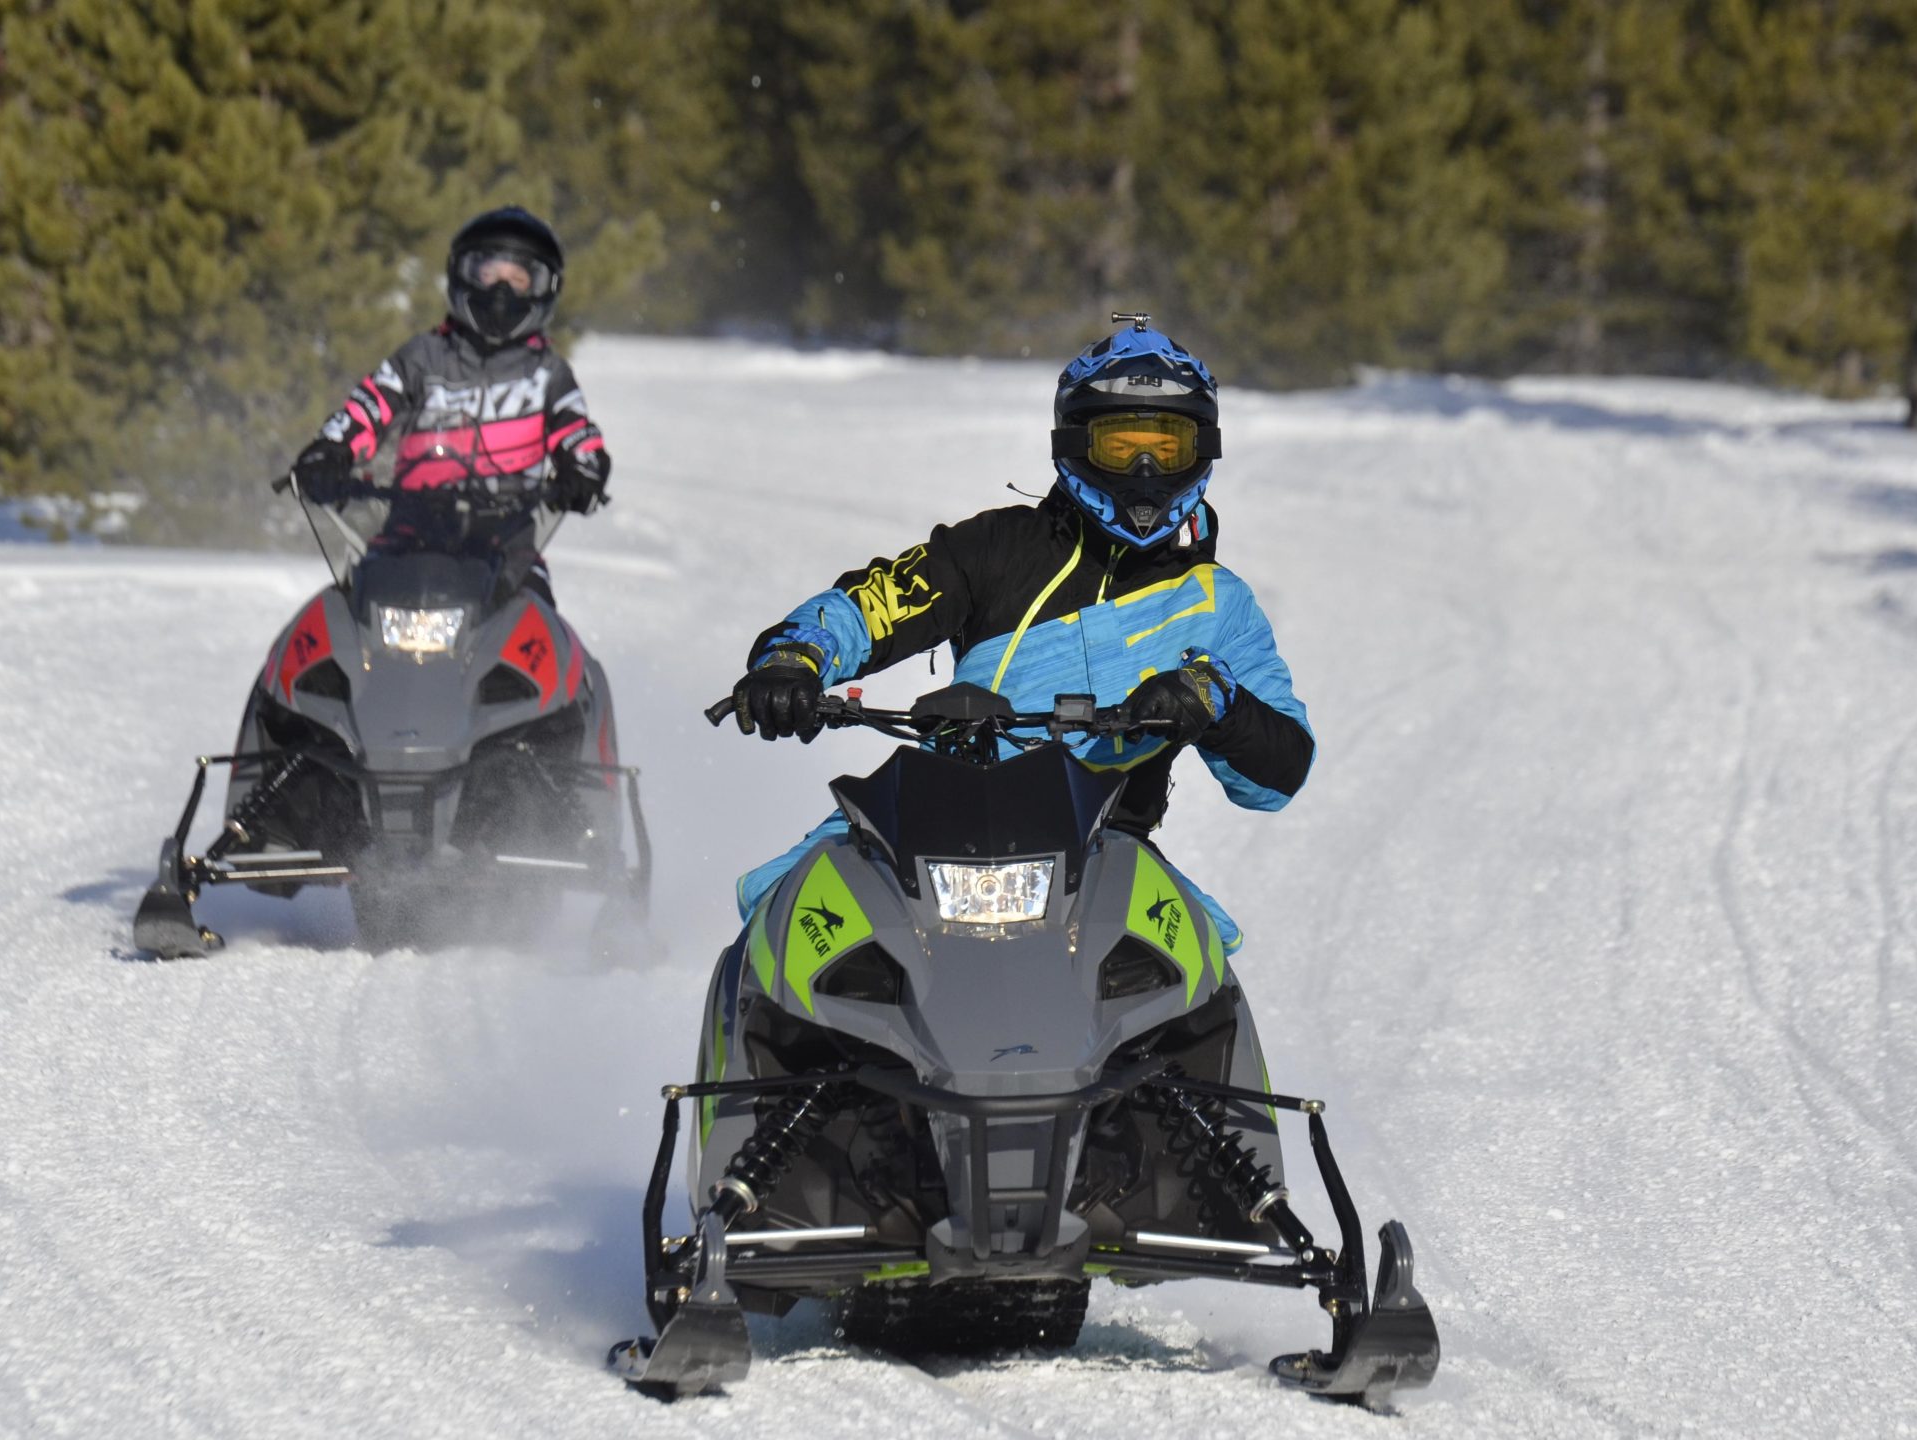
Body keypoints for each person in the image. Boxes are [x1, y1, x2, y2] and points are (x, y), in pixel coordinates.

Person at [726, 316, 1312, 952]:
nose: (1145, 467)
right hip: (929, 827)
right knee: (782, 927)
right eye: (1122, 445)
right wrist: (793, 659)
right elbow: (870, 607)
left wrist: (1215, 700)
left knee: (1198, 975)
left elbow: (1278, 775)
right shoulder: (993, 549)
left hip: (1104, 857)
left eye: (1167, 446)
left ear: (1202, 451)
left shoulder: (1220, 605)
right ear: (1075, 443)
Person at [290, 207, 610, 591]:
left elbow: (576, 432)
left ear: (544, 288)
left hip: (509, 543)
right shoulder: (423, 357)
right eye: (488, 275)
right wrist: (330, 450)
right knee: (349, 609)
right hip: (409, 531)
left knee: (535, 622)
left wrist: (583, 471)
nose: (500, 293)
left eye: (518, 280)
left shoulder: (549, 376)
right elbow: (367, 408)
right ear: (462, 275)